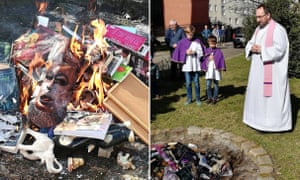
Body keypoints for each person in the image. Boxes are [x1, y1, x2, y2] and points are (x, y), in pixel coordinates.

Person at [243, 3, 292, 132]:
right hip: (257, 70)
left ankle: (272, 125)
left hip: (272, 72)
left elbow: (280, 50)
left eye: (260, 17)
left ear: (268, 15)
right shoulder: (258, 29)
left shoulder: (278, 30)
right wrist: (251, 48)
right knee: (257, 97)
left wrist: (262, 50)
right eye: (256, 17)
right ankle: (257, 122)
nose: (257, 20)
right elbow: (250, 42)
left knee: (270, 100)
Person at [172, 25, 204, 106]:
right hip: (187, 66)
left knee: (196, 82)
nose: (190, 36)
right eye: (189, 34)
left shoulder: (197, 41)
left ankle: (197, 99)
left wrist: (195, 52)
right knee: (188, 83)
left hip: (195, 65)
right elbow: (179, 51)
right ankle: (189, 98)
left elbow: (201, 52)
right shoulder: (182, 42)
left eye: (192, 35)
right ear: (186, 33)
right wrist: (185, 52)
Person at [201, 35, 226, 105]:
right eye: (210, 43)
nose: (212, 45)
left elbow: (221, 59)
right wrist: (208, 58)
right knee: (208, 85)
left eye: (213, 43)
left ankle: (215, 98)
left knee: (216, 84)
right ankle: (209, 98)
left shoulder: (218, 51)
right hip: (209, 71)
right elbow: (203, 59)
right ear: (208, 43)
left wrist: (214, 58)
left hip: (216, 71)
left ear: (215, 43)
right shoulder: (206, 50)